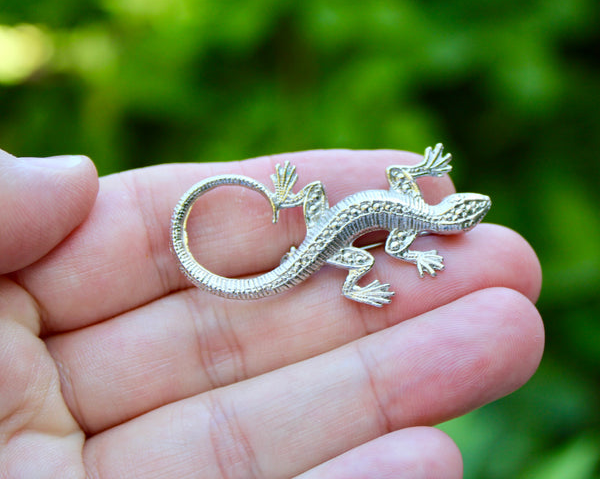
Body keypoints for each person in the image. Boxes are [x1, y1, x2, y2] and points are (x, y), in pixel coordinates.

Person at [0, 148, 543, 478]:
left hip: (327, 234)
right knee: (345, 254)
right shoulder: (413, 219)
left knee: (329, 224)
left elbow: (402, 215)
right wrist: (422, 203)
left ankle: (300, 216)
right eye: (464, 211)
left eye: (462, 218)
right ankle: (342, 273)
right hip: (324, 247)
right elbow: (400, 221)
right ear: (447, 212)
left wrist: (422, 216)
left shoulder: (414, 219)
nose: (465, 212)